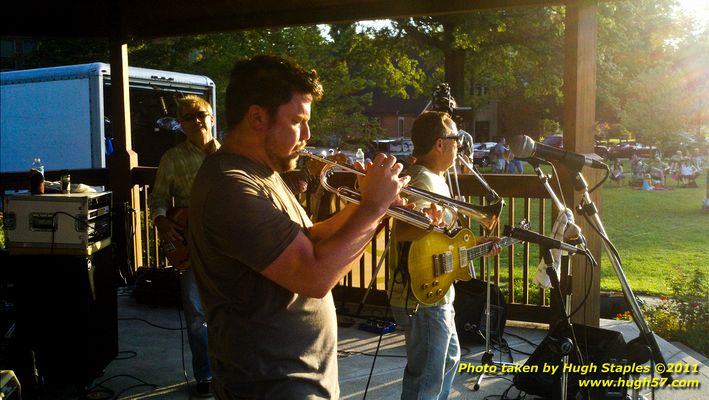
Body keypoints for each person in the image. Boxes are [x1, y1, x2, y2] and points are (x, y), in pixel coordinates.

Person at [188, 55, 406, 399]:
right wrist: (371, 208)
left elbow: (310, 239)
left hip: (298, 379)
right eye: (297, 121)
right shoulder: (229, 185)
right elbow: (314, 277)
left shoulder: (265, 174)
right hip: (272, 384)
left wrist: (373, 208)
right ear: (257, 117)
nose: (307, 134)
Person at [388, 111, 500, 400]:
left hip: (438, 291)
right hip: (420, 294)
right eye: (455, 140)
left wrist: (478, 243)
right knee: (426, 378)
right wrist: (429, 221)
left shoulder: (436, 179)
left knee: (447, 362)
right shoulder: (419, 180)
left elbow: (440, 242)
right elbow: (401, 231)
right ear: (440, 144)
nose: (458, 147)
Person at [149, 95, 219, 396]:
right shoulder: (172, 158)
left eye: (200, 114)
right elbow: (158, 200)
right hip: (191, 244)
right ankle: (205, 374)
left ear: (212, 118)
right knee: (196, 316)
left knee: (234, 312)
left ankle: (234, 371)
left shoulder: (232, 154)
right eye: (187, 117)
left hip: (229, 244)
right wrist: (162, 222)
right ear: (181, 124)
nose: (195, 121)